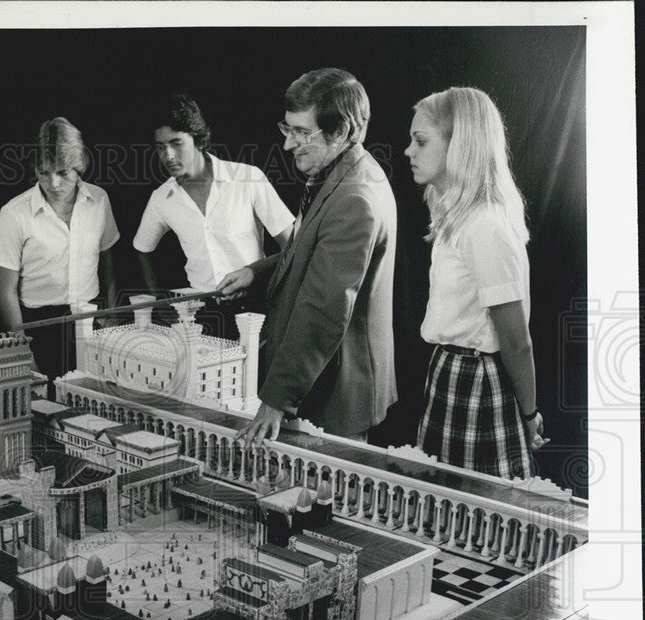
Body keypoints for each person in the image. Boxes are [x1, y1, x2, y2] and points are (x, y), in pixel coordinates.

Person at [217, 68, 398, 443]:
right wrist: (256, 271)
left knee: (317, 501)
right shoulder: (342, 173)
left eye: (302, 133)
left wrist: (275, 401)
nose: (288, 145)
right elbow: (309, 249)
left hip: (334, 395)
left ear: (343, 132)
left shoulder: (354, 199)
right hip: (322, 384)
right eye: (287, 129)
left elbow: (323, 308)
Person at [405, 87, 546, 479]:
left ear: (461, 145)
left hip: (476, 383)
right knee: (443, 506)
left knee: (478, 510)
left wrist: (529, 413)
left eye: (420, 141)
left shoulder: (485, 225)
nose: (408, 151)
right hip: (450, 372)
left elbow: (517, 340)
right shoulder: (461, 217)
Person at [133, 94, 293, 338]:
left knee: (255, 376)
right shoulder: (161, 198)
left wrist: (254, 273)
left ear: (198, 140)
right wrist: (160, 302)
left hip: (257, 310)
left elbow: (294, 245)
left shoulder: (248, 178)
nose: (169, 156)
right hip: (200, 317)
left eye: (176, 143)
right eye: (160, 147)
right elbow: (142, 249)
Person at [0, 117, 119, 389]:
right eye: (44, 172)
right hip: (39, 331)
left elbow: (107, 258)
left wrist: (110, 313)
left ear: (79, 166)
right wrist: (23, 352)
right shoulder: (14, 212)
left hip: (91, 322)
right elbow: (5, 291)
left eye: (63, 172)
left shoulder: (99, 200)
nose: (54, 183)